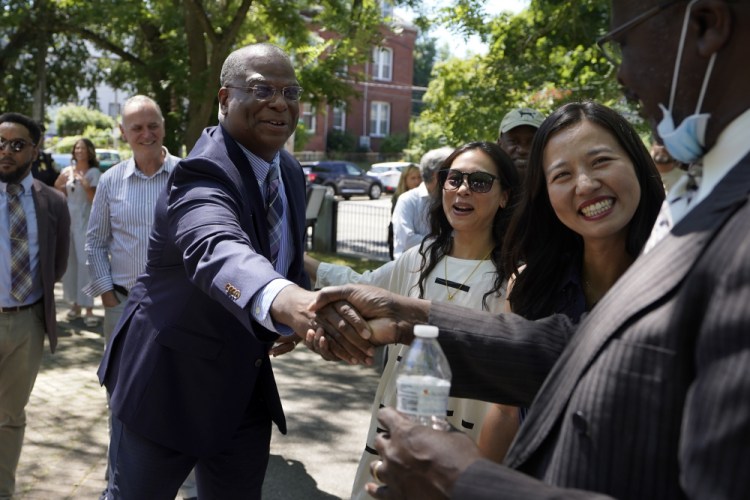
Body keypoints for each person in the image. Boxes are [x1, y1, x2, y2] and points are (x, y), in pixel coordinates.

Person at [308, 0, 750, 497]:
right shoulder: (710, 190)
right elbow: (594, 352)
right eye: (559, 174)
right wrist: (406, 319)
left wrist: (465, 479)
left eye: (622, 41)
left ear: (708, 23)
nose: (621, 74)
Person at [97, 43, 364, 499]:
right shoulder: (202, 172)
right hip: (167, 386)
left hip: (243, 387)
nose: (280, 101)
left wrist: (295, 298)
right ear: (225, 99)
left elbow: (281, 253)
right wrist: (288, 303)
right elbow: (217, 247)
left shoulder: (291, 172)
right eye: (261, 89)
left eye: (290, 91)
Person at [309, 142, 520, 498]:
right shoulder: (419, 257)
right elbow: (361, 288)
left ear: (503, 197)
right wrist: (295, 263)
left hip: (464, 449)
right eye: (454, 179)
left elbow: (509, 398)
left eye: (480, 182)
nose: (464, 189)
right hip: (397, 430)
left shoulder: (514, 277)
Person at [477, 100, 664, 463]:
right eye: (561, 175)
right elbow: (505, 413)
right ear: (544, 194)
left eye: (601, 161)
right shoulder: (530, 285)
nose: (585, 184)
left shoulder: (685, 281)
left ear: (638, 165)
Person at [83, 96, 197, 499]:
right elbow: (95, 243)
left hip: (184, 311)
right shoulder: (112, 180)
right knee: (123, 399)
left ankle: (186, 485)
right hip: (126, 308)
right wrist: (108, 297)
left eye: (153, 125)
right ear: (123, 133)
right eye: (137, 128)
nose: (146, 134)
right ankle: (118, 485)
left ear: (164, 126)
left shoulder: (190, 174)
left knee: (186, 395)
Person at [0, 112, 70, 499]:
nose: (5, 151)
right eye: (0, 142)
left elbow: (56, 265)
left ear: (34, 150)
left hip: (27, 324)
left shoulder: (52, 202)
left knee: (9, 417)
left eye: (16, 144)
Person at [54, 137, 100, 327]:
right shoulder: (68, 171)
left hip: (85, 222)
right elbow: (58, 191)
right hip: (68, 223)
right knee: (70, 264)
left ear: (89, 151)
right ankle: (74, 305)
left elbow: (95, 200)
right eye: (77, 148)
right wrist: (60, 183)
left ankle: (89, 307)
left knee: (85, 263)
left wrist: (86, 186)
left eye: (83, 148)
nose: (79, 151)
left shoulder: (94, 173)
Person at [496, 107, 545, 175]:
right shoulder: (485, 182)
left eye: (532, 143)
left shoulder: (560, 183)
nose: (523, 150)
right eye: (513, 141)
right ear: (499, 145)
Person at [387, 164, 421, 259]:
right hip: (400, 244)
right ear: (405, 180)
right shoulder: (400, 198)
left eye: (419, 177)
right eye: (413, 178)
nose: (417, 181)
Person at [29, 123, 57, 187]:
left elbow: (54, 180)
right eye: (35, 135)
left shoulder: (46, 158)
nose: (39, 138)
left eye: (41, 136)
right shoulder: (20, 156)